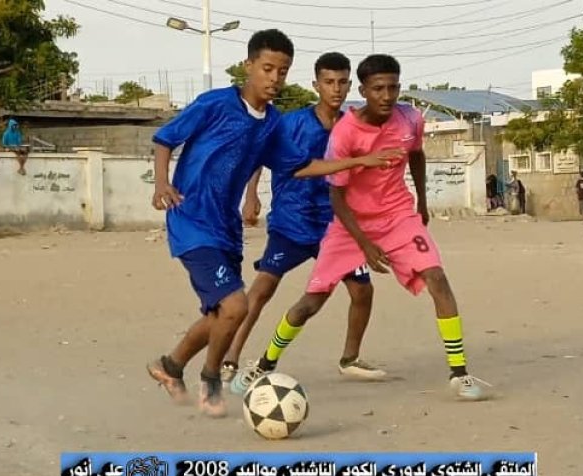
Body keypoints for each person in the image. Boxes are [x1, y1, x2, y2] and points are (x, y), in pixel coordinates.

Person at [145, 30, 400, 418]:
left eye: (282, 71)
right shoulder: (215, 104)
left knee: (220, 312)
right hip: (192, 219)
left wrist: (357, 162)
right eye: (267, 68)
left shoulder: (273, 123)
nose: (274, 78)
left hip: (226, 227)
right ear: (249, 66)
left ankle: (171, 365)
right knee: (235, 305)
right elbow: (165, 138)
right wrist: (163, 182)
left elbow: (300, 167)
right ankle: (212, 377)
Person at [232, 54, 491, 401]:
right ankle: (263, 364)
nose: (387, 95)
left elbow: (415, 153)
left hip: (398, 217)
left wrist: (422, 202)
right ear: (365, 91)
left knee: (437, 278)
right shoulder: (344, 132)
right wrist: (364, 244)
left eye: (393, 87)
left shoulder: (410, 119)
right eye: (379, 89)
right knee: (310, 302)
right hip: (345, 224)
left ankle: (460, 374)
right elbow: (337, 194)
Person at [222, 52, 383, 388]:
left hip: (335, 224)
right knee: (263, 288)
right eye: (328, 82)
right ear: (316, 85)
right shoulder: (290, 122)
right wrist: (250, 196)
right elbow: (259, 156)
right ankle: (230, 358)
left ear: (350, 85)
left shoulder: (352, 125)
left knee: (362, 291)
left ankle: (350, 359)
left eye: (341, 82)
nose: (335, 89)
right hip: (291, 221)